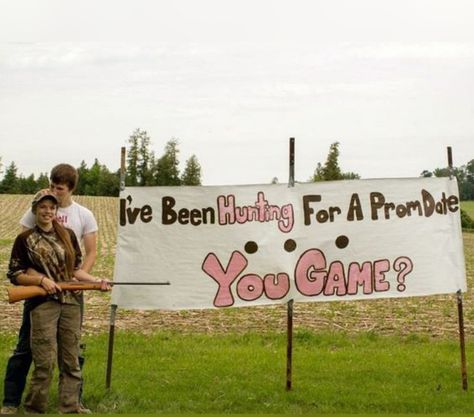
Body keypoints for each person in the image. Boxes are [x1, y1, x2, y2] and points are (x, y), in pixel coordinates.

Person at [1, 164, 99, 414]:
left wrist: (95, 282)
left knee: (71, 354)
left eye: (52, 205)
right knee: (31, 352)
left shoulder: (70, 230)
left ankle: (71, 404)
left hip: (70, 298)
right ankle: (17, 403)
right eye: (43, 206)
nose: (48, 209)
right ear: (36, 209)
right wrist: (41, 281)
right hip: (41, 300)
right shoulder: (27, 235)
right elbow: (21, 267)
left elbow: (78, 265)